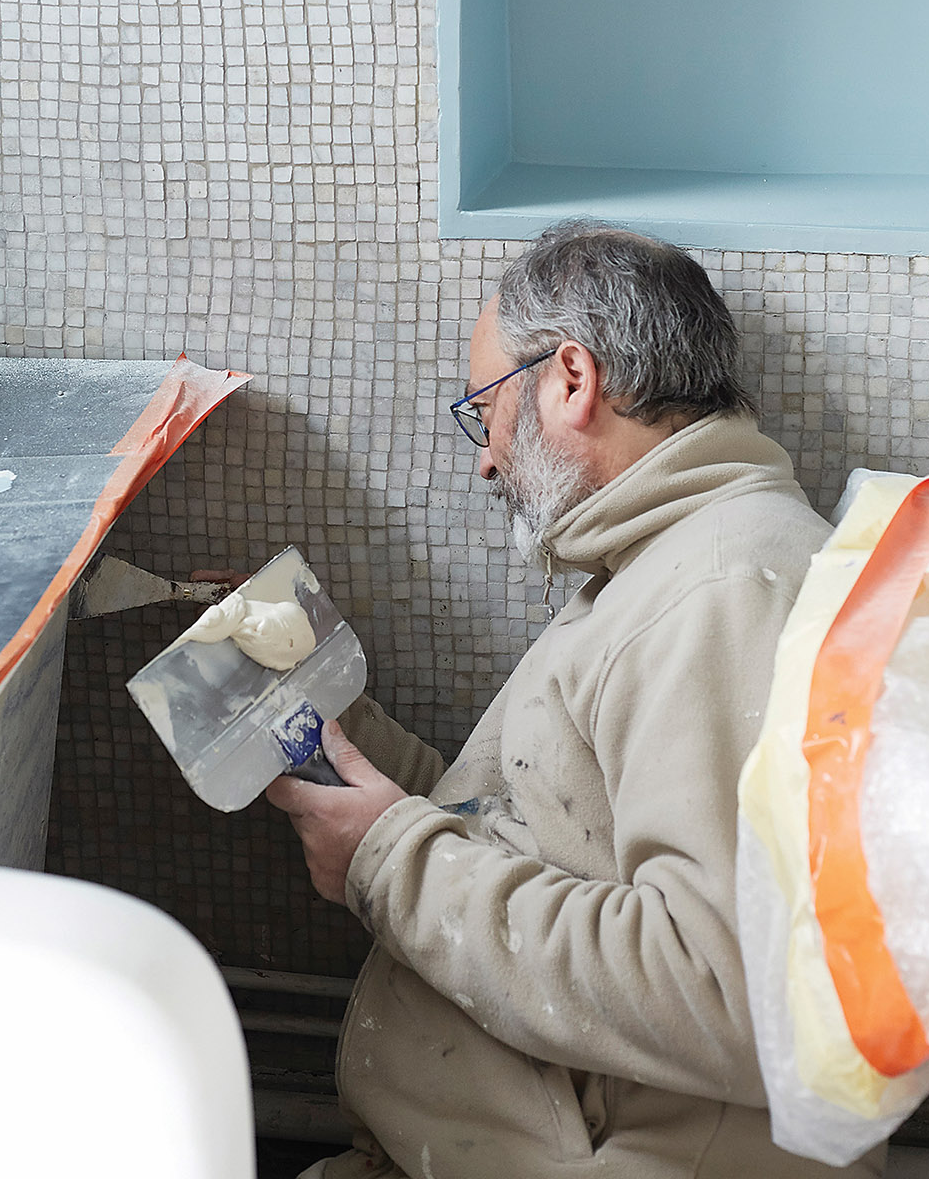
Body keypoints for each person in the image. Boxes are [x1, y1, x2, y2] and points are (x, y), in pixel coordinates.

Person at [266, 221, 886, 1179]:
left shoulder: (721, 591)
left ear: (569, 379)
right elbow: (539, 830)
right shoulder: (664, 564)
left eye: (484, 410)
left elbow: (724, 992)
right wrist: (324, 720)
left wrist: (390, 860)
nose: (484, 459)